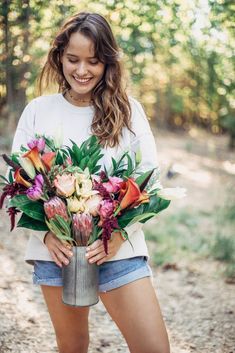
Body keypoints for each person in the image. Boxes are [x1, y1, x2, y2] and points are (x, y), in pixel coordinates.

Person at [11, 12, 170, 353]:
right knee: (73, 347)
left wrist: (119, 236)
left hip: (118, 251)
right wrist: (46, 232)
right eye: (72, 59)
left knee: (154, 348)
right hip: (59, 254)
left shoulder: (128, 111)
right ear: (59, 58)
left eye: (93, 61)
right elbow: (18, 179)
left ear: (107, 63)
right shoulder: (38, 110)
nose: (81, 70)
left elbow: (149, 178)